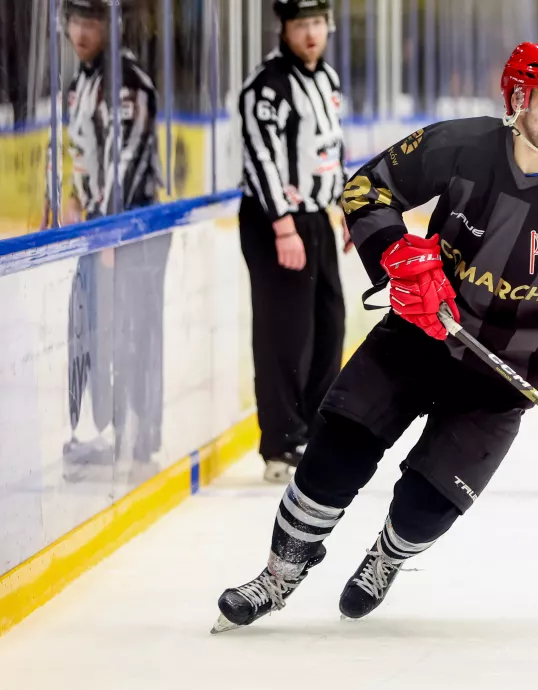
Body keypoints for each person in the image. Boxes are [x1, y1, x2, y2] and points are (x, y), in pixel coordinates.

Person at [212, 41, 538, 632]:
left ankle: (385, 557)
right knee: (338, 446)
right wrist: (398, 256)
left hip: (503, 374)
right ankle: (280, 574)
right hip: (417, 336)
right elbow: (366, 189)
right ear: (517, 99)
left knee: (429, 503)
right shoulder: (460, 145)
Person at [50, 0, 169, 485]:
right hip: (99, 231)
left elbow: (128, 165)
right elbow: (82, 153)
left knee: (132, 336)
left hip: (129, 233)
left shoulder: (127, 82)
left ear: (111, 24)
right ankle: (102, 435)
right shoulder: (81, 81)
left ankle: (135, 444)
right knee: (92, 333)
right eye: (76, 19)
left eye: (93, 20)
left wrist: (109, 231)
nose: (82, 30)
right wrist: (72, 196)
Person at [237, 0, 350, 483]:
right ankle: (281, 445)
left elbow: (332, 148)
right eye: (301, 24)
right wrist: (282, 225)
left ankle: (315, 433)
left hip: (317, 218)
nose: (311, 33)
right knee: (285, 334)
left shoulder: (327, 79)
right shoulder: (266, 87)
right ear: (283, 28)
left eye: (318, 23)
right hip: (275, 222)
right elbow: (260, 157)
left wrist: (346, 207)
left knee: (329, 326)